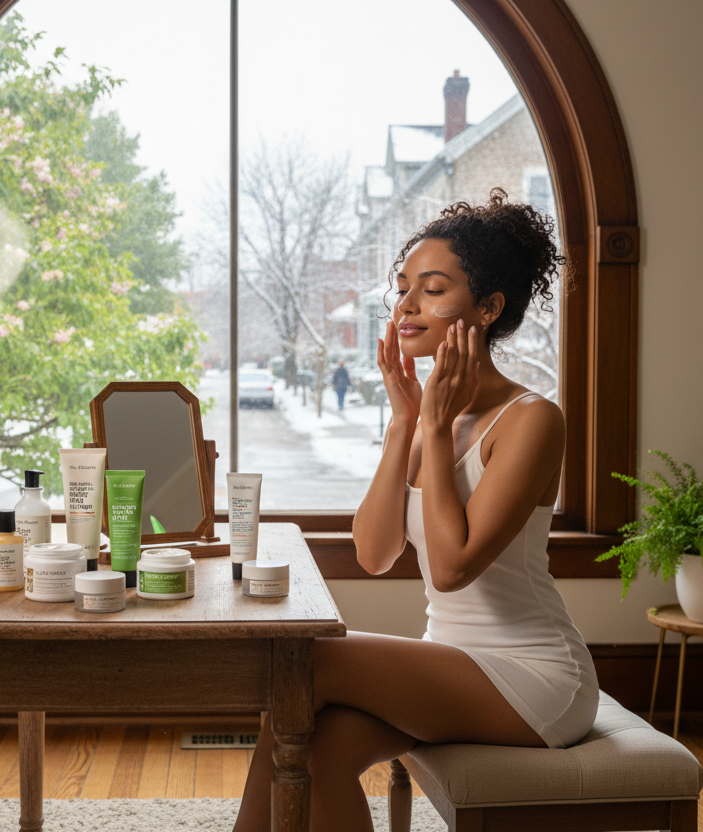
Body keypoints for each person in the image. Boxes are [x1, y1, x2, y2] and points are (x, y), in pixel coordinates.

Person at [233, 191, 597, 832]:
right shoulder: (421, 417)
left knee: (303, 661)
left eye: (431, 290)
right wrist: (404, 422)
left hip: (535, 678)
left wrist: (433, 424)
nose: (406, 306)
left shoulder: (533, 420)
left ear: (488, 308)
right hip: (450, 657)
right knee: (311, 744)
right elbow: (375, 555)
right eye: (403, 289)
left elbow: (453, 567)